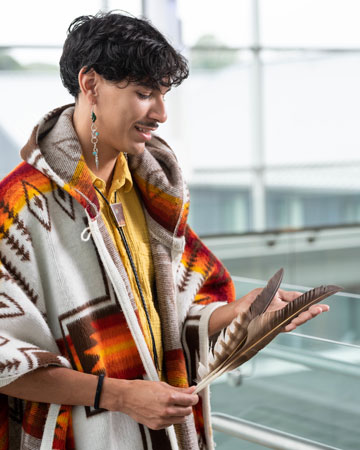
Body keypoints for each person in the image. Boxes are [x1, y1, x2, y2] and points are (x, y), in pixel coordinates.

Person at [0, 11, 329, 450]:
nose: (161, 114)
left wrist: (239, 315)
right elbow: (6, 359)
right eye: (143, 93)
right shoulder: (20, 205)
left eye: (164, 95)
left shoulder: (155, 193)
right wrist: (119, 396)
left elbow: (172, 315)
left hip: (164, 434)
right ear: (91, 84)